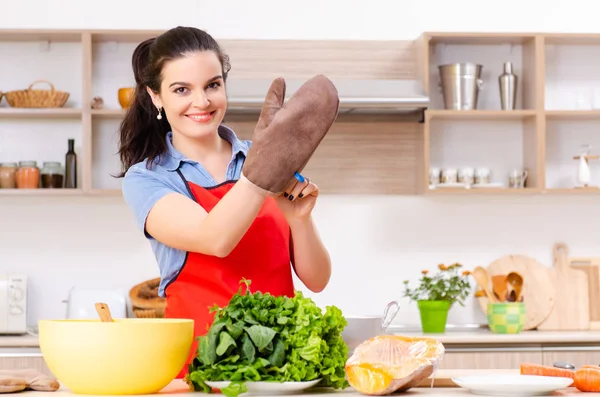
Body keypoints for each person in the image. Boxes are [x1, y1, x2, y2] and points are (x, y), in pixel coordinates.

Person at [117, 26, 333, 378]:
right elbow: (214, 239)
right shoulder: (149, 178)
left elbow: (318, 279)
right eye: (181, 89)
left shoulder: (263, 155)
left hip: (283, 368)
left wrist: (300, 219)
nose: (201, 102)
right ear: (156, 97)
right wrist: (262, 172)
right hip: (201, 369)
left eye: (212, 85)